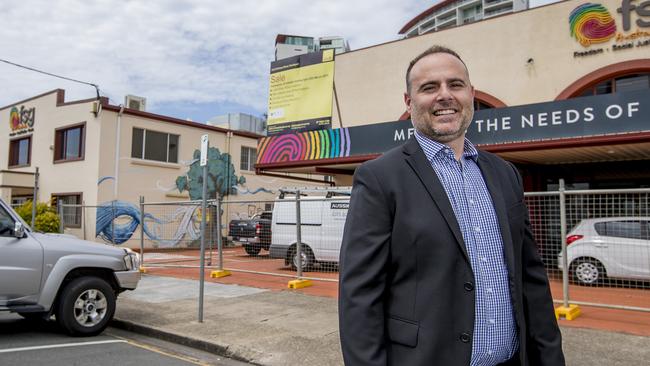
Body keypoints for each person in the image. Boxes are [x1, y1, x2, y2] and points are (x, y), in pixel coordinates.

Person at [338, 45, 565, 366]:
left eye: (455, 85)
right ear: (409, 101)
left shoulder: (505, 174)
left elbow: (531, 280)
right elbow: (360, 296)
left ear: (471, 94)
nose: (444, 95)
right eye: (429, 87)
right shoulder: (379, 177)